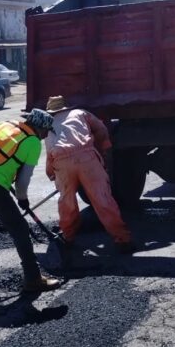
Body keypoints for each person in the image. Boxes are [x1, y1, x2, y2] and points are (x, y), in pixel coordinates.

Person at [0, 108, 61, 291]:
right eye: (46, 132)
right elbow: (23, 180)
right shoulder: (32, 142)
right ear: (40, 128)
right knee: (19, 228)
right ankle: (33, 279)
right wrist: (22, 198)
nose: (45, 136)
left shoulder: (5, 124)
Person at [44, 95, 135, 255]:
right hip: (87, 158)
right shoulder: (80, 113)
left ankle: (68, 238)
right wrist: (103, 147)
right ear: (66, 107)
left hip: (61, 161)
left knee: (67, 202)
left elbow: (49, 152)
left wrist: (51, 172)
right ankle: (122, 239)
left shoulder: (49, 124)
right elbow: (100, 128)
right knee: (103, 199)